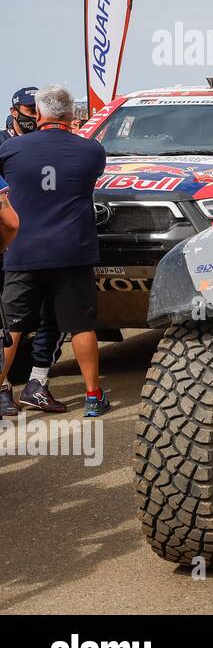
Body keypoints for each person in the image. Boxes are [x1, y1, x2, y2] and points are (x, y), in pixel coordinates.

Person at [0, 85, 109, 417]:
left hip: (24, 249)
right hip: (72, 251)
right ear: (72, 113)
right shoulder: (92, 150)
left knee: (11, 330)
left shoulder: (11, 150)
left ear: (37, 112)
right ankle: (92, 397)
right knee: (81, 326)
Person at [0, 86, 63, 404]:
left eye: (36, 110)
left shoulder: (45, 145)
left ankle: (37, 382)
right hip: (8, 246)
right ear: (15, 112)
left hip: (44, 243)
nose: (34, 117)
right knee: (8, 320)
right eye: (28, 111)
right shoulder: (2, 146)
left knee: (53, 313)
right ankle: (3, 388)